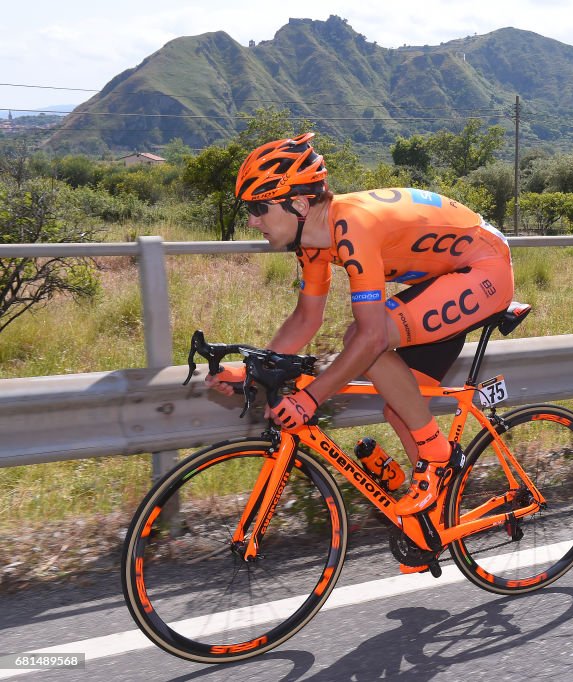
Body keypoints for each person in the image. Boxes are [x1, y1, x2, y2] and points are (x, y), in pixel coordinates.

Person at [206, 133, 514, 518]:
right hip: (447, 275)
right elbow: (306, 319)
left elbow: (371, 337)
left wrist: (310, 398)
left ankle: (439, 456)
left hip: (485, 268)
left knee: (366, 337)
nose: (252, 221)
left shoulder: (352, 227)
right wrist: (255, 371)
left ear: (298, 203)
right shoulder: (313, 240)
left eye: (258, 208)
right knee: (401, 408)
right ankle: (435, 520)